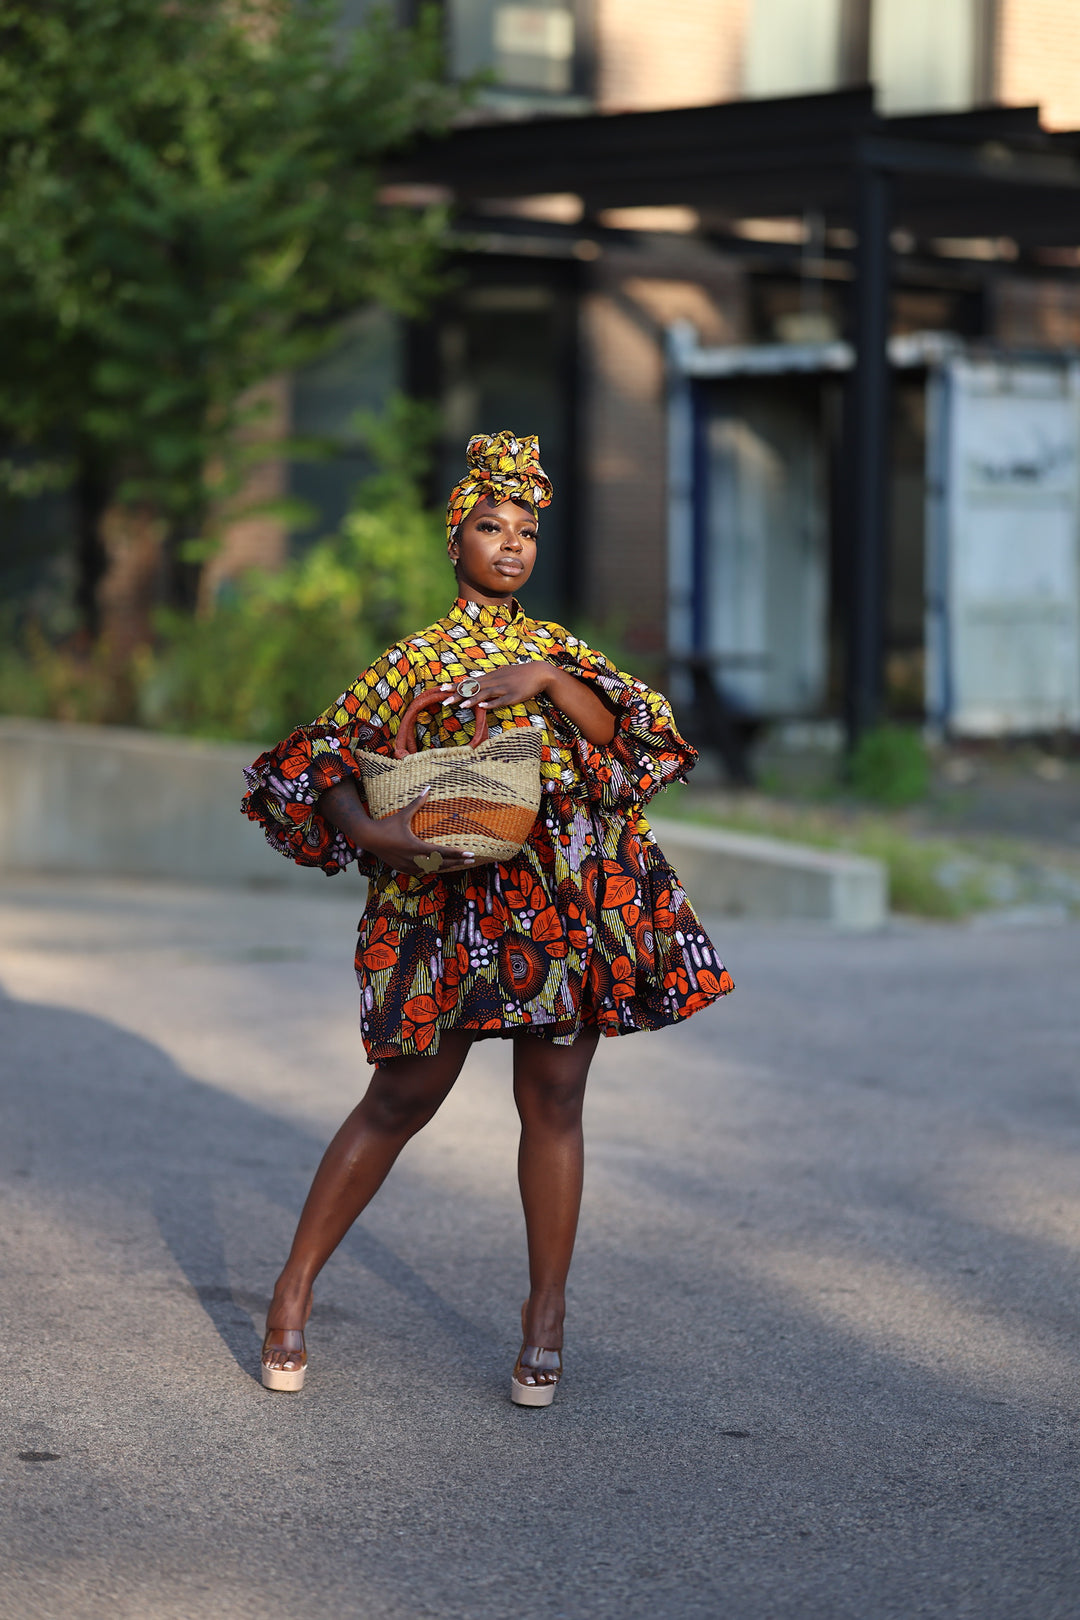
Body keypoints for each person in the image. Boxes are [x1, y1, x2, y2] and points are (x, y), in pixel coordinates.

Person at [242, 430, 733, 1406]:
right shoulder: (410, 663)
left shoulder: (558, 652)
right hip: (448, 902)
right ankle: (291, 1293)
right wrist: (379, 839)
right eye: (487, 526)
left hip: (559, 906)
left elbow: (634, 739)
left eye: (524, 531)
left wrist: (548, 683)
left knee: (554, 1103)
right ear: (453, 541)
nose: (510, 544)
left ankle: (543, 1318)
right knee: (400, 1098)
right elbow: (320, 767)